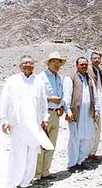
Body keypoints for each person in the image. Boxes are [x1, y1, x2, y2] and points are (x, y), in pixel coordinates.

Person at [0, 55, 54, 188]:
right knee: (18, 153)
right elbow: (5, 101)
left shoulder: (38, 81)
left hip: (34, 124)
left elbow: (42, 102)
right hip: (17, 124)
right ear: (20, 66)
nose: (28, 65)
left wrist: (44, 119)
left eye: (31, 63)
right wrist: (5, 120)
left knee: (32, 154)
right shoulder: (12, 81)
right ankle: (14, 182)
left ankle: (26, 182)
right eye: (25, 63)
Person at [63, 57, 100, 171]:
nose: (84, 66)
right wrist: (68, 111)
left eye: (85, 64)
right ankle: (72, 163)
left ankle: (81, 160)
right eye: (81, 64)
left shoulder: (90, 79)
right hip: (76, 113)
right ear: (76, 65)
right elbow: (67, 96)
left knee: (87, 136)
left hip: (88, 112)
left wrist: (97, 110)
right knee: (75, 138)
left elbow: (95, 96)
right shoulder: (70, 78)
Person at [35, 51, 66, 180]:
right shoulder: (41, 77)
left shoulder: (59, 77)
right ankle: (37, 173)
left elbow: (62, 94)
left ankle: (46, 171)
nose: (56, 64)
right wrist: (50, 99)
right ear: (49, 63)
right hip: (45, 113)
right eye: (54, 61)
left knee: (51, 143)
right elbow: (37, 96)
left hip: (56, 113)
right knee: (42, 143)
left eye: (58, 62)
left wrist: (62, 106)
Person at [88, 51, 102, 159]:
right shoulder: (90, 70)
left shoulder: (98, 69)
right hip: (94, 101)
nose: (97, 60)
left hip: (99, 99)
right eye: (94, 58)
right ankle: (89, 153)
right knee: (93, 127)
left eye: (98, 58)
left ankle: (93, 152)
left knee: (98, 127)